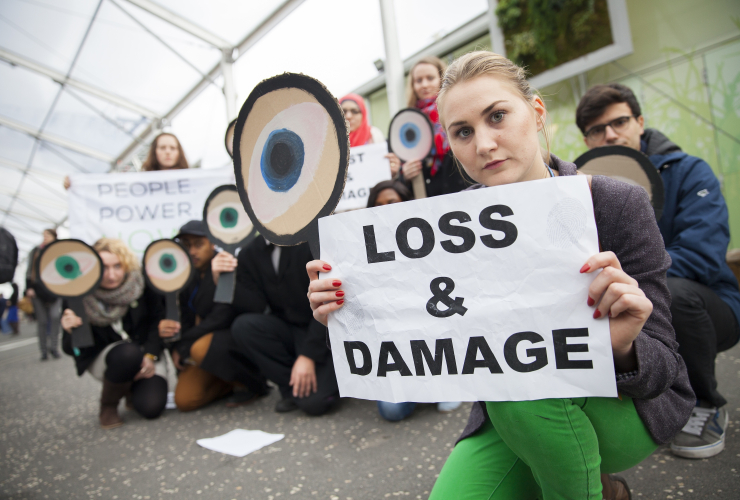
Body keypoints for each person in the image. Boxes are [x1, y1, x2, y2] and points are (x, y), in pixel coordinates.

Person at [307, 51, 695, 499]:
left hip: (626, 404)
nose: (484, 144)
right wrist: (352, 311)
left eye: (497, 116)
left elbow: (664, 365)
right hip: (511, 411)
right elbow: (422, 324)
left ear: (536, 112)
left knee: (522, 370)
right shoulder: (442, 227)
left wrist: (623, 344)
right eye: (463, 132)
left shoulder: (616, 203)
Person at [576, 83, 740, 459]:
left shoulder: (691, 171)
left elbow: (704, 254)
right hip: (627, 304)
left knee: (674, 294)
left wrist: (637, 274)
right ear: (587, 140)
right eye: (597, 130)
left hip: (709, 304)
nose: (611, 134)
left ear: (640, 121)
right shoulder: (582, 188)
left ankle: (705, 403)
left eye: (619, 122)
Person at [364, 180, 462, 420]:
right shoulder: (365, 249)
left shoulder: (431, 241)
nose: (384, 209)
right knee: (391, 411)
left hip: (436, 333)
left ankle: (446, 380)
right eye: (377, 206)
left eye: (391, 203)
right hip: (395, 339)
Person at [160, 220, 269, 411]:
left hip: (227, 342)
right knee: (185, 401)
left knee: (199, 349)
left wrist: (184, 344)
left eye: (198, 244)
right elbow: (182, 315)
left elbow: (221, 317)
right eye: (186, 245)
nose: (192, 251)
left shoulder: (226, 264)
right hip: (198, 344)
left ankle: (252, 384)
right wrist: (175, 343)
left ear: (212, 243)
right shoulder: (184, 273)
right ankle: (225, 383)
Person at [60, 238, 168, 428]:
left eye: (117, 266)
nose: (111, 275)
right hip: (109, 359)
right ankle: (108, 406)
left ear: (126, 265)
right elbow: (70, 349)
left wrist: (150, 356)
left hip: (146, 355)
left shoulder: (141, 284)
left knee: (152, 407)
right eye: (103, 268)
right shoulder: (79, 293)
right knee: (128, 353)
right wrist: (69, 330)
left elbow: (155, 321)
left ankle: (129, 390)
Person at [228, 236, 339, 416]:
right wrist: (223, 279)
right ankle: (292, 387)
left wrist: (308, 356)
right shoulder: (250, 252)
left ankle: (324, 383)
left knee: (314, 404)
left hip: (322, 330)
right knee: (244, 326)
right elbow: (253, 305)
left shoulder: (312, 240)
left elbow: (328, 304)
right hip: (288, 330)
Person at [393, 56, 473, 197]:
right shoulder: (406, 124)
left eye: (430, 78)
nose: (424, 85)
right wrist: (404, 174)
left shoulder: (461, 110)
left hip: (466, 192)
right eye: (418, 80)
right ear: (412, 85)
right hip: (429, 201)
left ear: (442, 79)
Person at [63, 132, 189, 189]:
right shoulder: (140, 182)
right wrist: (77, 184)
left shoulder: (191, 181)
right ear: (154, 151)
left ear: (179, 152)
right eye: (162, 147)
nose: (168, 151)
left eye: (172, 148)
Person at [25, 228, 62, 360]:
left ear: (54, 236)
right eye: (44, 235)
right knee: (42, 321)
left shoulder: (60, 250)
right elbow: (30, 270)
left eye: (48, 235)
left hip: (55, 290)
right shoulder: (36, 251)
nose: (45, 237)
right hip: (38, 290)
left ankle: (54, 347)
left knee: (55, 317)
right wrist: (29, 287)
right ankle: (43, 351)